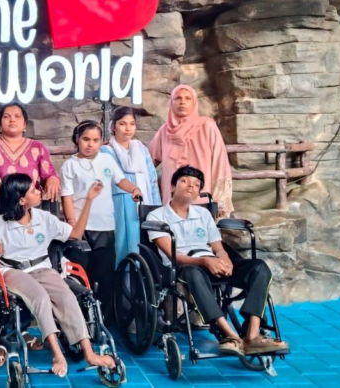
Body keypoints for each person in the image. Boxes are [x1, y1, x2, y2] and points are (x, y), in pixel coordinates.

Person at [0, 174, 115, 376]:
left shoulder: (44, 218)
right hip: (12, 270)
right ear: (21, 200)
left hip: (43, 268)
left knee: (66, 296)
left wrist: (89, 200)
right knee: (40, 296)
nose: (39, 192)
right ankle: (57, 354)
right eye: (33, 190)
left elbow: (75, 234)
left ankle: (89, 353)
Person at [145, 166, 288, 356]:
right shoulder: (156, 216)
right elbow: (175, 257)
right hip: (183, 267)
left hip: (212, 262)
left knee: (259, 268)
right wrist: (205, 262)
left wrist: (225, 259)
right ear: (172, 187)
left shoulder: (203, 214)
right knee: (192, 272)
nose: (191, 186)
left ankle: (252, 334)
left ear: (198, 192)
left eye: (196, 184)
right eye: (184, 181)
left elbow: (218, 248)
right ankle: (229, 335)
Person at [60, 120, 142, 307]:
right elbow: (67, 196)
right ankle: (82, 316)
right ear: (77, 139)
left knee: (105, 276)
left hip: (106, 226)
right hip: (81, 228)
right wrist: (72, 224)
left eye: (95, 140)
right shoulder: (69, 165)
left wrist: (134, 188)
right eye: (86, 139)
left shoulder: (107, 160)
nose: (90, 144)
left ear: (101, 141)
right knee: (81, 275)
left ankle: (105, 316)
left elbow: (120, 180)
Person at [149, 85, 233, 217]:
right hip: (172, 199)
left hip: (201, 197)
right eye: (178, 98)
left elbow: (220, 163)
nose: (182, 102)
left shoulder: (207, 126)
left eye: (187, 98)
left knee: (200, 226)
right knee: (171, 227)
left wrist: (220, 201)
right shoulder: (165, 131)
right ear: (172, 102)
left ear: (194, 102)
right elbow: (147, 161)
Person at [0, 101, 61, 210]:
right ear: (0, 125)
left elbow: (50, 175)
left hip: (31, 210)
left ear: (24, 124)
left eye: (17, 116)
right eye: (6, 116)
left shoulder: (37, 147)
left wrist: (52, 179)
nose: (12, 119)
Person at [101, 106, 161, 265]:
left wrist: (156, 206)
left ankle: (144, 278)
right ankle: (125, 278)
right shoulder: (105, 151)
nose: (128, 128)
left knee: (146, 242)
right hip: (120, 203)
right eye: (122, 124)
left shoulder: (141, 148)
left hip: (145, 199)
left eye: (132, 124)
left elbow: (152, 179)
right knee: (124, 243)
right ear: (113, 126)